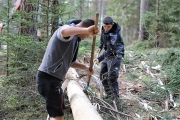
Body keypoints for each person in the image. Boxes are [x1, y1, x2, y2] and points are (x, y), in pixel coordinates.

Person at [36, 18, 98, 120]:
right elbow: (64, 31)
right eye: (89, 34)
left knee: (59, 112)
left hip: (53, 79)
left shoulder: (75, 40)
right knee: (57, 116)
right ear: (85, 28)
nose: (88, 36)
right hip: (48, 78)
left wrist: (86, 68)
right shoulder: (68, 31)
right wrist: (86, 30)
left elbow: (71, 63)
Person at [95, 17, 124, 100]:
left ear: (112, 24)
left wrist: (99, 58)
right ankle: (109, 95)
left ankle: (115, 98)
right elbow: (103, 40)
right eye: (105, 26)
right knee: (103, 75)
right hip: (107, 55)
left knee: (112, 77)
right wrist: (100, 47)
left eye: (108, 27)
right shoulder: (103, 29)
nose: (106, 29)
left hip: (116, 55)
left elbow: (110, 49)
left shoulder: (114, 34)